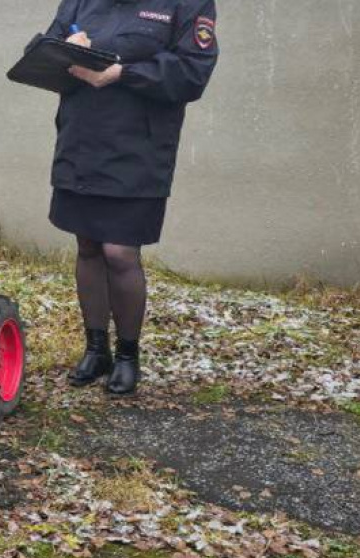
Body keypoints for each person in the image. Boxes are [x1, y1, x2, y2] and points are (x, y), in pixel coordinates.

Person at [41, 0, 219, 394]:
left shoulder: (189, 5)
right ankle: (96, 348)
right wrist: (70, 45)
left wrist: (123, 73)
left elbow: (192, 72)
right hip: (81, 138)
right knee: (87, 245)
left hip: (140, 147)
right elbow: (45, 51)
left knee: (119, 252)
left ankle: (127, 354)